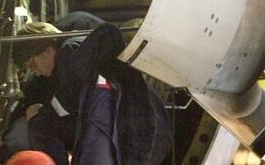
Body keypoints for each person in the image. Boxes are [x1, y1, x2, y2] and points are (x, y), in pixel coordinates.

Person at [11, 13, 172, 165]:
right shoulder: (83, 45)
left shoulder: (70, 50)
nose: (37, 72)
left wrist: (39, 114)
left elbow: (69, 101)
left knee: (39, 124)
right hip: (147, 132)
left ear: (46, 50)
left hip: (136, 134)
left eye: (33, 64)